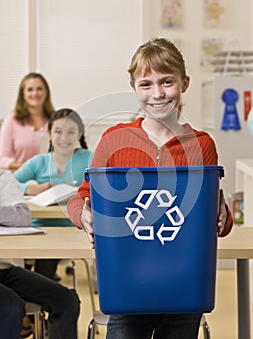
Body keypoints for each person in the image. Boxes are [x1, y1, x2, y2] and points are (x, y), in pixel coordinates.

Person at [67, 37, 233, 339]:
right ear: (134, 88)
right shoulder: (114, 140)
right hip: (126, 283)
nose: (157, 93)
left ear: (184, 83)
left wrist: (224, 214)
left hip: (184, 284)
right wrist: (85, 216)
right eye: (146, 84)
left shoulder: (201, 145)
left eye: (166, 82)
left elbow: (216, 219)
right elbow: (80, 199)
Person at [0, 169, 80, 339]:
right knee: (10, 307)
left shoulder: (2, 178)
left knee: (66, 301)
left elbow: (22, 215)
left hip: (4, 268)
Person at [14, 108, 92, 279]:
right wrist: (28, 188)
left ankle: (41, 294)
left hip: (74, 228)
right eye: (58, 131)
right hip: (39, 227)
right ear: (49, 133)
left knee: (45, 261)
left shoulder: (89, 159)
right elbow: (7, 183)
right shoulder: (39, 162)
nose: (64, 138)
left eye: (71, 132)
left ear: (79, 134)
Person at [0, 72, 55, 170]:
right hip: (20, 177)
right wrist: (27, 168)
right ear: (23, 94)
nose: (35, 93)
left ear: (46, 92)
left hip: (50, 176)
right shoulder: (11, 121)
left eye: (39, 89)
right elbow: (2, 158)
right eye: (30, 90)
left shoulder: (55, 120)